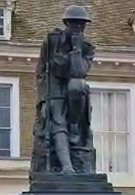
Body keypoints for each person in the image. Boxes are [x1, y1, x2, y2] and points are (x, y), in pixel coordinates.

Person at [32, 5, 96, 174]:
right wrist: (43, 100)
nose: (79, 28)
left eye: (82, 24)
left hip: (75, 94)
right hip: (53, 88)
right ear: (67, 23)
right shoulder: (52, 41)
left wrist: (76, 50)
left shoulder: (87, 47)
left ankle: (74, 126)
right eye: (75, 24)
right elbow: (41, 71)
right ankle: (67, 166)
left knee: (78, 85)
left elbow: (79, 72)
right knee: (57, 120)